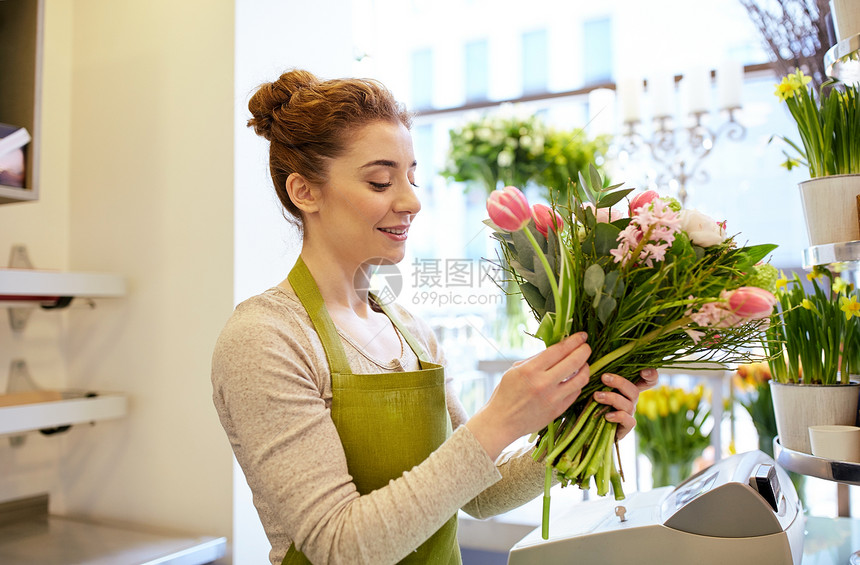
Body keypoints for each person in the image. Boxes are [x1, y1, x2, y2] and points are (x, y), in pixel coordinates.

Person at [211, 69, 658, 565]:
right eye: (380, 181)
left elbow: (480, 495)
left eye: (411, 177)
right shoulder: (265, 339)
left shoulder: (410, 330)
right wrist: (498, 420)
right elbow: (339, 546)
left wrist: (577, 429)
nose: (412, 201)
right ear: (305, 192)